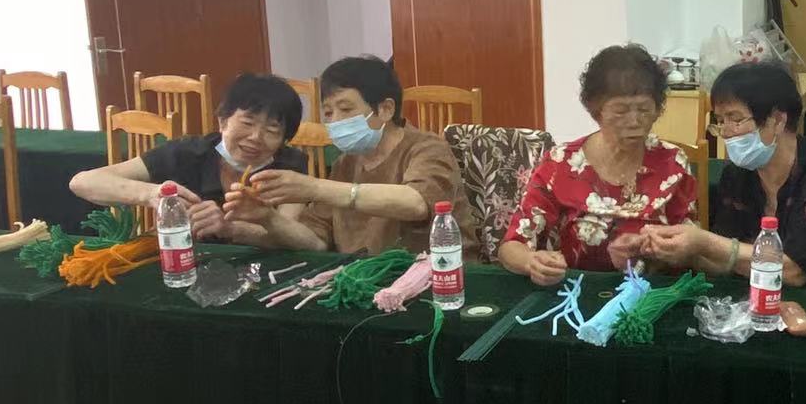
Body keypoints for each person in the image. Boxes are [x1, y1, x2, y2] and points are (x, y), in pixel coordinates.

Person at [643, 60, 806, 289]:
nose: (725, 132)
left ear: (778, 120)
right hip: (768, 300)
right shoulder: (738, 175)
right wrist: (673, 250)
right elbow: (727, 259)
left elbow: (794, 271)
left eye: (735, 119)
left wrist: (703, 242)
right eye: (720, 121)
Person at [222, 55, 477, 256]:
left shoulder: (426, 148)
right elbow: (316, 241)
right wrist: (269, 218)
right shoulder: (345, 163)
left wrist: (315, 187)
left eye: (345, 109)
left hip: (440, 277)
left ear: (386, 109)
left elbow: (416, 203)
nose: (335, 121)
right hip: (363, 281)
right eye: (328, 113)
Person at [498, 44, 699, 285]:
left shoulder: (672, 163)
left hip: (653, 292)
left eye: (644, 109)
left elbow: (693, 249)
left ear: (657, 110)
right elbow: (512, 246)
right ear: (597, 111)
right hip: (575, 291)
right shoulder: (561, 163)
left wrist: (652, 250)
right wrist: (532, 262)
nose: (634, 121)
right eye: (620, 111)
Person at [69, 72, 307, 246]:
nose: (256, 137)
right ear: (223, 121)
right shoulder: (188, 153)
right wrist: (151, 194)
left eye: (272, 130)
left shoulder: (290, 166)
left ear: (284, 139)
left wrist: (231, 228)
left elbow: (291, 236)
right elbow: (83, 182)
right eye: (247, 122)